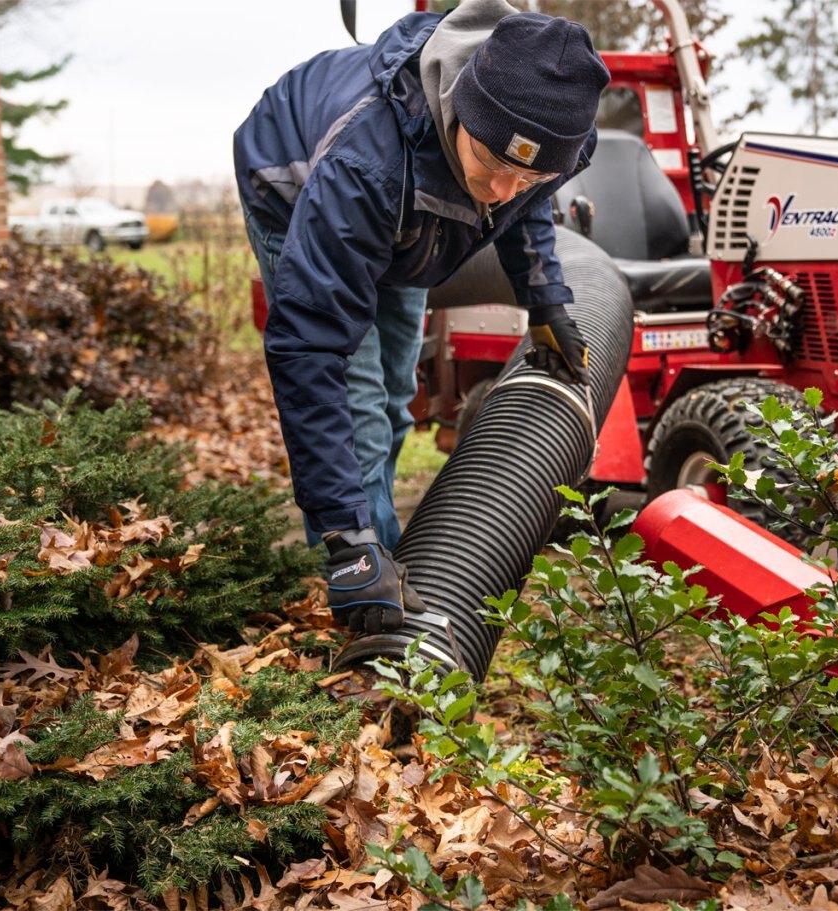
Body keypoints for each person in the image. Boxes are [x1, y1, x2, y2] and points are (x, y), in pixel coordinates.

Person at [233, 0, 609, 636]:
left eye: (530, 175)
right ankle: (363, 586)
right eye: (491, 164)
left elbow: (526, 207)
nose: (501, 192)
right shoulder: (365, 165)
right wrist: (346, 537)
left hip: (406, 223)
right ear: (463, 109)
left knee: (394, 398)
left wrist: (545, 300)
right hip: (294, 189)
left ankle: (378, 548)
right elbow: (310, 348)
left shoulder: (550, 136)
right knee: (357, 405)